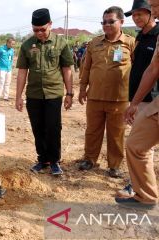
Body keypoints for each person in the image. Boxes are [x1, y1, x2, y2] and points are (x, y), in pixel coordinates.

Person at [78, 6, 135, 178]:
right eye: (104, 22)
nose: (107, 25)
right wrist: (82, 88)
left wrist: (135, 98)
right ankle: (89, 159)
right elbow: (86, 67)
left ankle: (114, 165)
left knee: (116, 133)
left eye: (111, 21)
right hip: (95, 96)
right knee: (92, 131)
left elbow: (138, 69)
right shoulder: (94, 43)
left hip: (119, 98)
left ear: (122, 22)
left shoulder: (130, 43)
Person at [16, 8, 74, 175]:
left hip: (54, 93)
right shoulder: (27, 45)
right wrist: (18, 96)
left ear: (50, 24)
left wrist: (69, 93)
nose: (39, 33)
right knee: (38, 127)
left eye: (43, 29)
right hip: (34, 94)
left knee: (53, 127)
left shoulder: (61, 43)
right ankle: (43, 159)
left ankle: (55, 160)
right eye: (36, 30)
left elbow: (66, 69)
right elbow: (22, 72)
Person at [115, 0, 159, 210]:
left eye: (142, 14)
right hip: (143, 99)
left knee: (143, 147)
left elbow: (153, 71)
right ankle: (144, 192)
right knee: (137, 144)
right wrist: (133, 101)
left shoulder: (156, 33)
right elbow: (148, 69)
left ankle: (137, 186)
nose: (137, 18)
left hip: (151, 99)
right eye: (134, 15)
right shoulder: (140, 37)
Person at [0, 38, 15, 104]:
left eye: (14, 44)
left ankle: (6, 97)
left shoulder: (12, 50)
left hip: (9, 69)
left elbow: (11, 59)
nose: (13, 45)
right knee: (1, 82)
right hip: (1, 68)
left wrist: (11, 65)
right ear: (8, 43)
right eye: (12, 44)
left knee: (7, 83)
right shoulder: (1, 49)